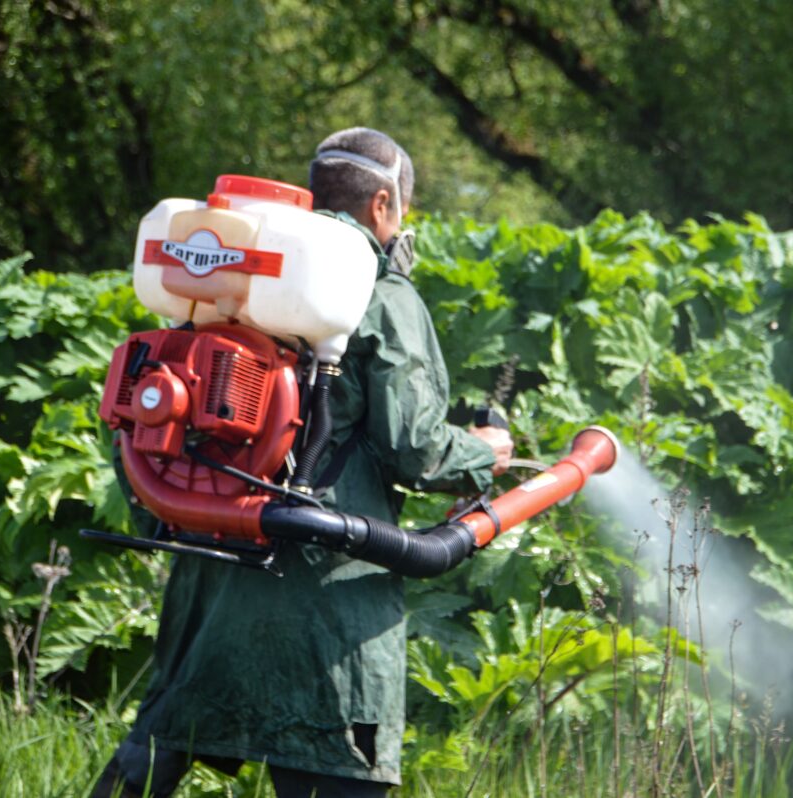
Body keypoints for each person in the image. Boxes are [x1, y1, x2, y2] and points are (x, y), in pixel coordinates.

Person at [92, 128, 513, 798]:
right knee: (335, 766)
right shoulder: (379, 291)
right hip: (326, 586)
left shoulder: (235, 274)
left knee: (167, 739)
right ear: (382, 205)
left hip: (214, 563)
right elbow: (418, 450)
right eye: (402, 207)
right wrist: (484, 452)